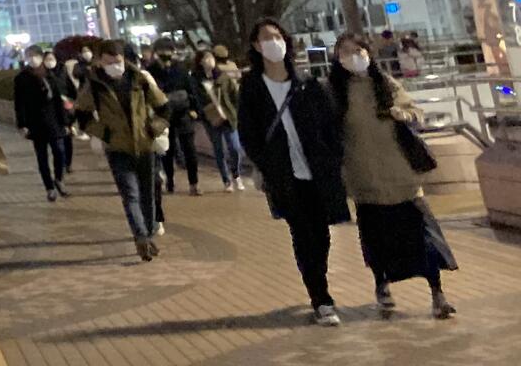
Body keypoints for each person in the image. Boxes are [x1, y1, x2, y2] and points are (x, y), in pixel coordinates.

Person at [330, 32, 458, 319]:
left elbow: (415, 112)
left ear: (368, 52)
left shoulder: (385, 83)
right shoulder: (335, 92)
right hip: (364, 179)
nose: (352, 56)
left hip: (401, 174)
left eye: (357, 50)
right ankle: (382, 287)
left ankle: (438, 293)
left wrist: (403, 114)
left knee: (423, 237)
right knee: (377, 239)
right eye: (344, 52)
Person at [237, 17, 350, 326]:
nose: (273, 42)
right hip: (285, 176)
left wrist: (333, 156)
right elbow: (247, 132)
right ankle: (321, 298)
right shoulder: (251, 87)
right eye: (266, 38)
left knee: (322, 235)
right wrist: (265, 164)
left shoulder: (306, 83)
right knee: (302, 233)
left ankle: (320, 284)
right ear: (256, 46)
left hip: (317, 170)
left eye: (278, 36)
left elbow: (331, 124)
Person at [75, 39, 169, 261]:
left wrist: (154, 128)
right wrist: (106, 134)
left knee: (148, 194)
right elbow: (83, 116)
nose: (115, 66)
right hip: (117, 149)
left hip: (144, 145)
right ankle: (141, 237)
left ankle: (147, 232)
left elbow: (164, 107)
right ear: (100, 61)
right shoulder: (95, 84)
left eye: (118, 61)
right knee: (131, 194)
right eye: (109, 62)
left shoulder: (139, 79)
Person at [14, 47, 73, 201]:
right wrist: (22, 124)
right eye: (29, 56)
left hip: (54, 120)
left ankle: (59, 179)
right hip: (35, 122)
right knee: (42, 157)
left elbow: (58, 101)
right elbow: (19, 103)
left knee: (59, 151)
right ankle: (49, 187)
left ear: (41, 57)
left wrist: (65, 122)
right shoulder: (22, 78)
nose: (32, 59)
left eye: (35, 56)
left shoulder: (50, 75)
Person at [152, 46, 202, 195]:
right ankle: (170, 181)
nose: (166, 59)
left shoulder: (180, 70)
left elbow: (192, 90)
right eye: (163, 56)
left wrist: (194, 110)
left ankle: (194, 183)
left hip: (183, 114)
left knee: (190, 151)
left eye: (168, 56)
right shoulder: (152, 71)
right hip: (164, 116)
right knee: (167, 150)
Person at [195, 46, 245, 191]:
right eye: (205, 58)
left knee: (235, 147)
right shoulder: (196, 80)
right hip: (211, 119)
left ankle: (236, 174)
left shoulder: (223, 77)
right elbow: (197, 98)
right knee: (218, 150)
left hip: (228, 116)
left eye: (211, 57)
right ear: (200, 62)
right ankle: (226, 180)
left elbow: (234, 95)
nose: (209, 61)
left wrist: (235, 111)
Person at [47, 48, 81, 176]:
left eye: (52, 58)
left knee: (67, 139)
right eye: (47, 59)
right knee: (58, 142)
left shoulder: (62, 71)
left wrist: (72, 103)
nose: (50, 62)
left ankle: (68, 163)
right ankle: (60, 164)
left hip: (66, 109)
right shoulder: (42, 75)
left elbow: (71, 89)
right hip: (52, 112)